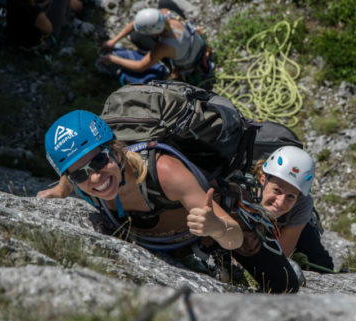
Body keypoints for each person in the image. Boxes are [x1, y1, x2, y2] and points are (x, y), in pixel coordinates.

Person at [38, 110, 301, 293]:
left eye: (99, 160)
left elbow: (234, 238)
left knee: (284, 284)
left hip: (210, 231)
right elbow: (72, 171)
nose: (95, 177)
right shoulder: (80, 181)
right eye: (79, 174)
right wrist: (60, 191)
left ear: (115, 148)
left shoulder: (165, 173)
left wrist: (215, 227)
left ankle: (301, 234)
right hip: (172, 239)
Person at [251, 146, 334, 272]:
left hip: (287, 227)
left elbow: (280, 256)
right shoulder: (243, 192)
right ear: (263, 180)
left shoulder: (303, 204)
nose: (280, 202)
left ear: (299, 197)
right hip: (250, 221)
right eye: (277, 190)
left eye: (291, 196)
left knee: (323, 266)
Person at [97, 3, 206, 80]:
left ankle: (166, 62)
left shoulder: (163, 47)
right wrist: (113, 41)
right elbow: (134, 24)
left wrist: (112, 58)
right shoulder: (166, 13)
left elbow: (140, 66)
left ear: (154, 33)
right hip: (195, 41)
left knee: (136, 37)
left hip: (189, 60)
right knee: (165, 2)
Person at [5, 0, 83, 49]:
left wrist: (42, 6)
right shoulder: (36, 15)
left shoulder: (13, 2)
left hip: (17, 37)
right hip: (43, 41)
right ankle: (83, 6)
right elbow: (49, 29)